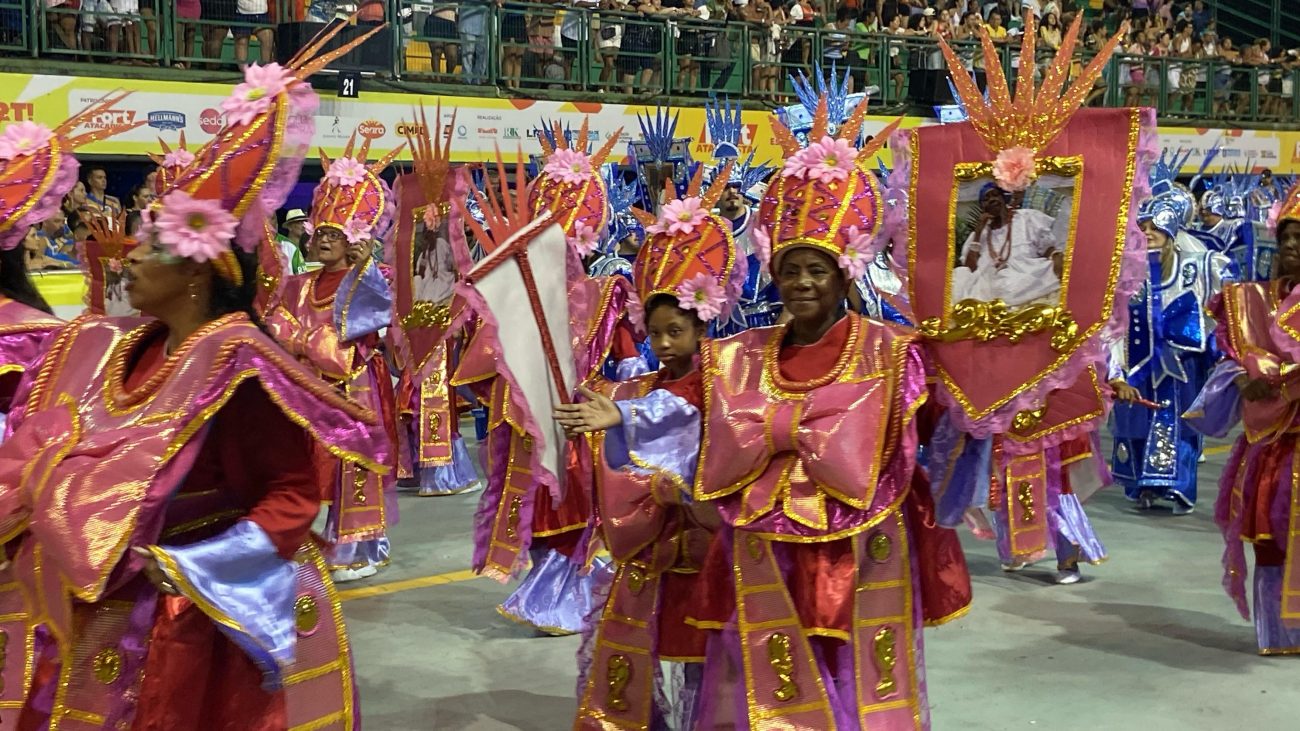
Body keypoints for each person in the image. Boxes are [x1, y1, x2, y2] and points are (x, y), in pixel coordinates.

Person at [0, 54, 377, 728]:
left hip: (188, 619)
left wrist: (201, 567)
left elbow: (292, 493)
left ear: (198, 271)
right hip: (98, 605)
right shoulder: (115, 346)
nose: (132, 256)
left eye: (152, 243)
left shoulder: (239, 366)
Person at [559, 174, 743, 729]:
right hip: (661, 548)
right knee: (653, 645)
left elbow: (680, 414)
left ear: (702, 322)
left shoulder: (724, 376)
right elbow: (626, 447)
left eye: (675, 331)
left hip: (712, 546)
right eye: (655, 332)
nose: (663, 344)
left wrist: (621, 416)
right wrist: (596, 424)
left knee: (704, 656)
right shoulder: (649, 382)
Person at [266, 139, 401, 583]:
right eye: (318, 233)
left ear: (352, 241)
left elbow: (361, 331)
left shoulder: (368, 277)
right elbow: (280, 326)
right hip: (312, 388)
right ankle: (318, 539)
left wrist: (305, 340)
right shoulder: (300, 284)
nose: (321, 240)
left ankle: (363, 546)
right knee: (309, 467)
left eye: (332, 235)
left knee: (354, 464)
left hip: (354, 385)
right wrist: (305, 341)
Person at [1186, 182, 1300, 655]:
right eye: (1287, 237)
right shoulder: (1250, 300)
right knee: (1267, 535)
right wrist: (1242, 380)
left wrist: (1283, 377)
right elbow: (1230, 355)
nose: (1291, 246)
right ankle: (1279, 633)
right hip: (1267, 445)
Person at [1109, 194, 1233, 514]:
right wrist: (1116, 372)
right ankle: (1144, 485)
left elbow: (1225, 296)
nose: (1148, 233)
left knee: (1179, 425)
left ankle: (1177, 487)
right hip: (1140, 361)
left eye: (1156, 228)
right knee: (1137, 421)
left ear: (1171, 233)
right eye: (1143, 227)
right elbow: (1114, 325)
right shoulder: (1128, 276)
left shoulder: (1197, 266)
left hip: (1183, 364)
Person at [951, 183, 1064, 307]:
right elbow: (970, 268)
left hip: (1027, 274)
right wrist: (978, 233)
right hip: (988, 283)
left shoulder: (1025, 218)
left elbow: (1047, 247)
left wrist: (1055, 256)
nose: (992, 199)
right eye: (986, 199)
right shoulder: (979, 234)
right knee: (959, 276)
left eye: (995, 195)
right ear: (983, 207)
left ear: (1003, 197)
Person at [277, 207, 309, 274]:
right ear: (289, 227)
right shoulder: (285, 247)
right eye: (299, 223)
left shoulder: (306, 246)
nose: (303, 226)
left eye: (303, 222)